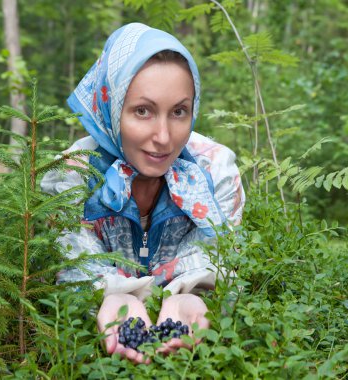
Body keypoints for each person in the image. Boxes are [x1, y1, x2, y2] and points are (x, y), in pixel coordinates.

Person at [41, 22, 245, 363]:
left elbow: (221, 257)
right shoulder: (71, 177)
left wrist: (189, 296)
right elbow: (69, 264)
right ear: (111, 107)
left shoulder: (215, 172)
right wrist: (114, 297)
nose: (164, 137)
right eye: (142, 111)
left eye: (179, 111)